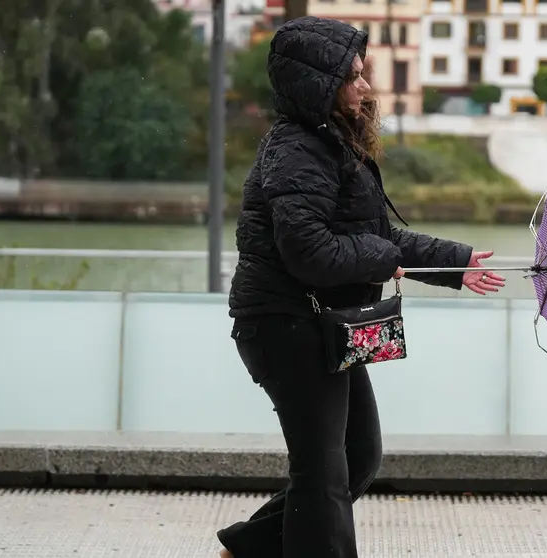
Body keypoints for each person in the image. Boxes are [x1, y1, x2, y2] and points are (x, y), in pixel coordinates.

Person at [217, 16, 506, 558]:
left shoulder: (330, 144)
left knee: (358, 455)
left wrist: (456, 263)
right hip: (286, 325)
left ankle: (249, 546)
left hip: (322, 326)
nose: (366, 86)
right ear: (319, 84)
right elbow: (311, 252)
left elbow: (378, 238)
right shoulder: (298, 151)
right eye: (354, 76)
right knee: (322, 474)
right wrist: (384, 258)